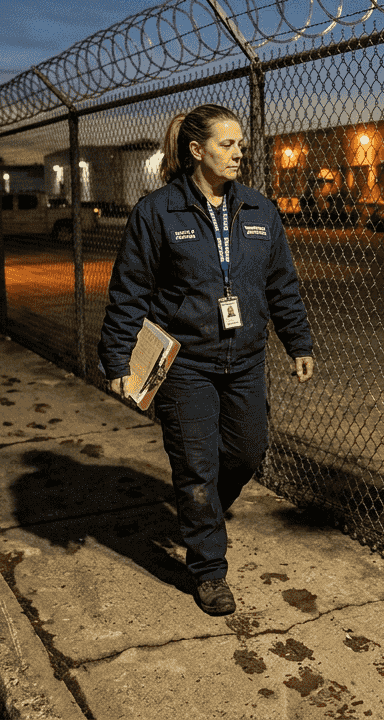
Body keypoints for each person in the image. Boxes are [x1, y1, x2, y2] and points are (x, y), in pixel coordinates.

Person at [98, 103, 315, 615]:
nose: (239, 153)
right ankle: (208, 569)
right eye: (227, 144)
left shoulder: (260, 210)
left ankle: (202, 514)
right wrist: (117, 360)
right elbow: (129, 290)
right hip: (185, 365)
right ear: (197, 150)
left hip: (245, 360)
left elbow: (281, 284)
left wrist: (299, 342)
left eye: (241, 144)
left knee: (246, 453)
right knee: (196, 468)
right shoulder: (157, 212)